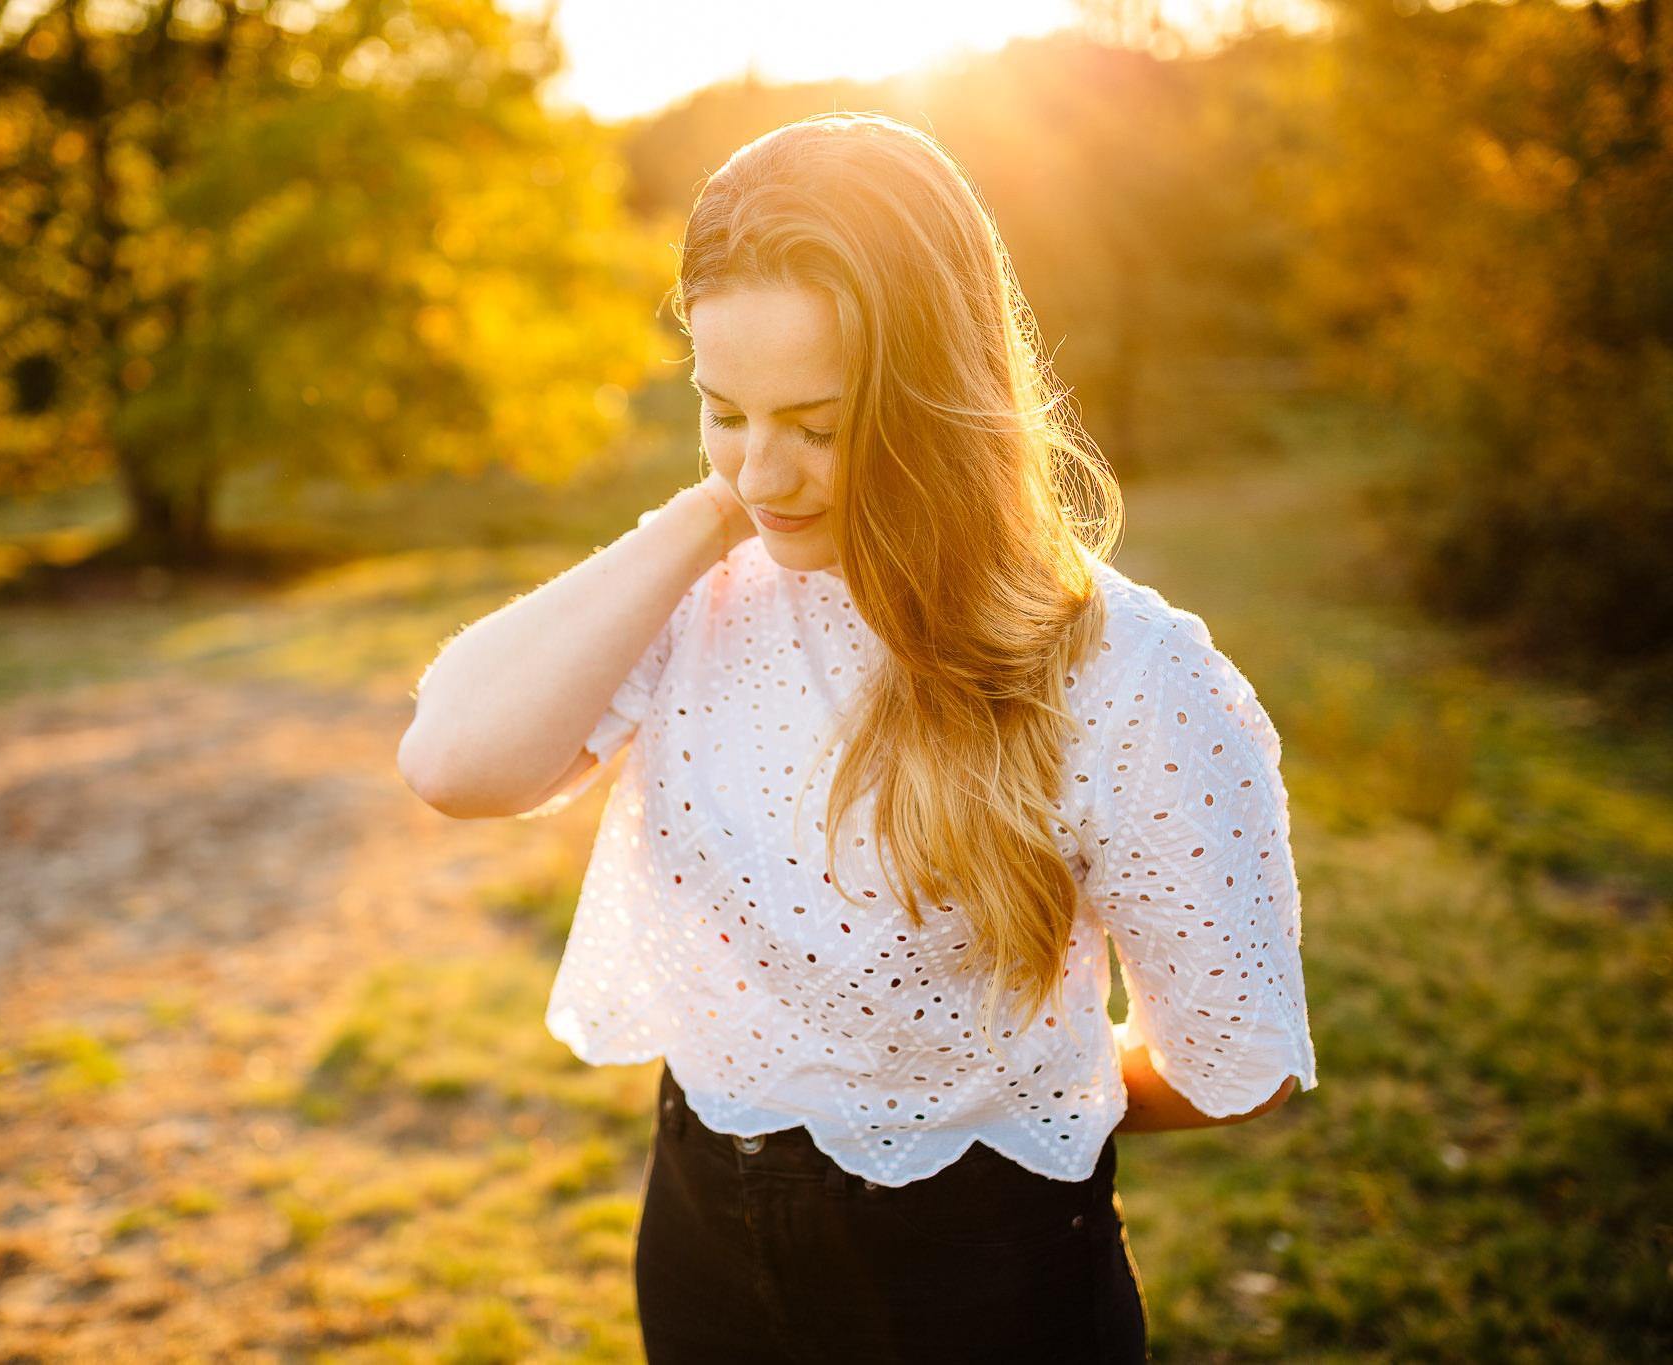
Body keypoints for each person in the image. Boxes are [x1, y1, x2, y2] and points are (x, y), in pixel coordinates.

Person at [398, 112, 1316, 1365]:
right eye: (721, 409)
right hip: (701, 1238)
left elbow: (1234, 1064)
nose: (763, 473)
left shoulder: (1133, 676)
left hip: (980, 1281)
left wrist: (981, 1107)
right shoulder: (703, 591)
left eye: (817, 427)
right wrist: (701, 516)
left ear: (939, 398)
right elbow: (453, 765)